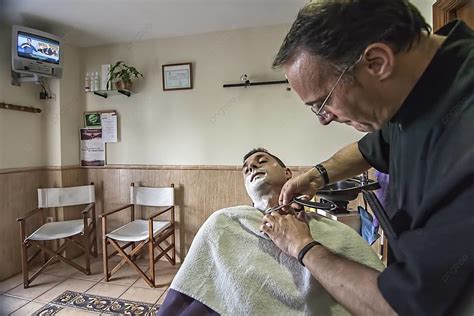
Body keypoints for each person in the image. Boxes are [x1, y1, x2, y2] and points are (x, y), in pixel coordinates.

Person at [263, 1, 474, 315]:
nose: (324, 119)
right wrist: (316, 176)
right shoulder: (422, 83)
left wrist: (302, 246)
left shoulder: (463, 139)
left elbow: (404, 307)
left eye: (324, 102)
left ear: (376, 62)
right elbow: (373, 147)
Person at [158, 148, 384, 315]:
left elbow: (385, 300)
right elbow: (187, 296)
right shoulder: (225, 222)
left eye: (261, 161)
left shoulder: (335, 232)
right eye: (247, 169)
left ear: (287, 173)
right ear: (247, 188)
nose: (252, 167)